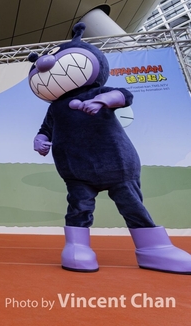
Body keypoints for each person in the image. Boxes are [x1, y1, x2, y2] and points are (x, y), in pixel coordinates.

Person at [28, 22, 191, 274]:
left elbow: (124, 96)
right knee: (78, 207)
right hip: (76, 170)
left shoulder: (99, 91)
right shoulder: (55, 108)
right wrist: (40, 140)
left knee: (132, 205)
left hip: (116, 164)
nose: (45, 66)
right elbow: (45, 129)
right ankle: (77, 247)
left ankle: (154, 248)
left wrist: (103, 100)